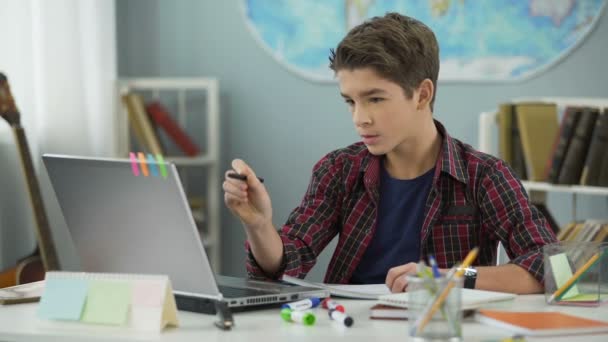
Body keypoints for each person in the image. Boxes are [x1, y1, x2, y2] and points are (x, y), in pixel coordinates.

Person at [223, 12, 557, 294]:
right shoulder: (339, 169)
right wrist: (260, 225)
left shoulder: (484, 175)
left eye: (376, 99)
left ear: (422, 94)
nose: (360, 118)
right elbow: (285, 265)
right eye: (350, 101)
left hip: (437, 330)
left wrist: (448, 278)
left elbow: (549, 266)